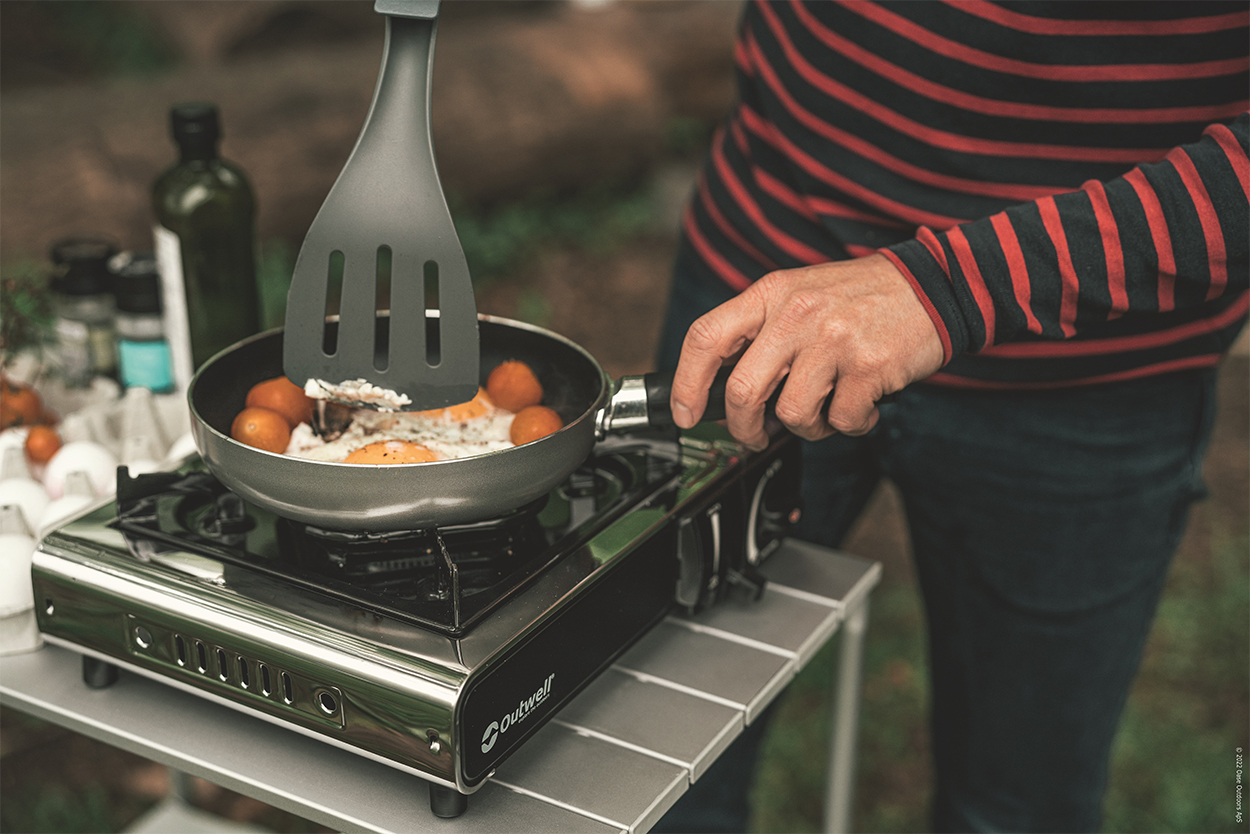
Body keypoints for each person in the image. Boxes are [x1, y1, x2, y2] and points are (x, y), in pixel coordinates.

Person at [651, 2, 1248, 832]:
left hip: (1092, 383)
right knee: (662, 770)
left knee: (1015, 811)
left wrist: (957, 286)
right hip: (764, 282)